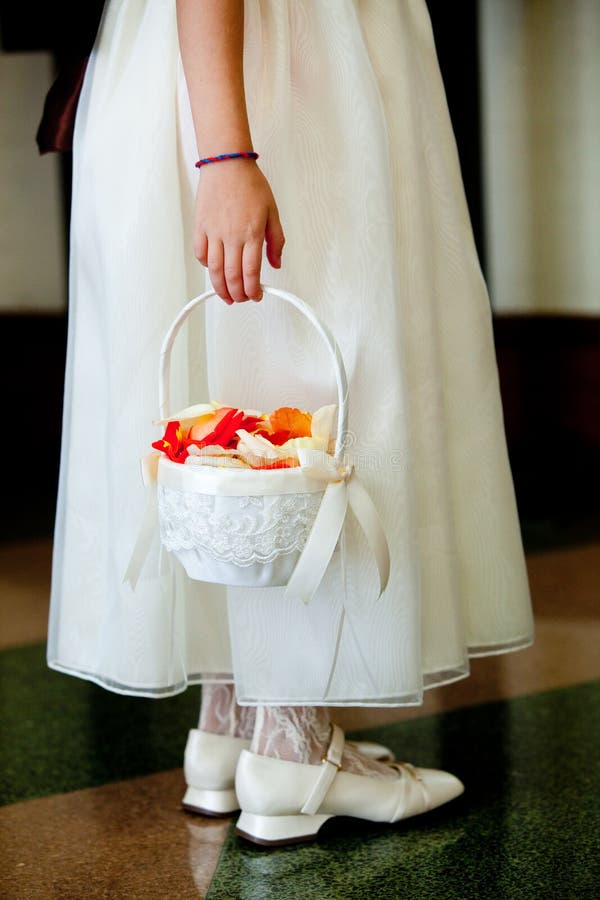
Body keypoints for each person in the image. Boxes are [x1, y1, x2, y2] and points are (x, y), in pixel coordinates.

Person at [45, 0, 534, 846]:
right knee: (310, 371)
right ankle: (292, 751)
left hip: (185, 60)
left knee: (234, 365)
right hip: (282, 70)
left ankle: (235, 723)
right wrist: (229, 152)